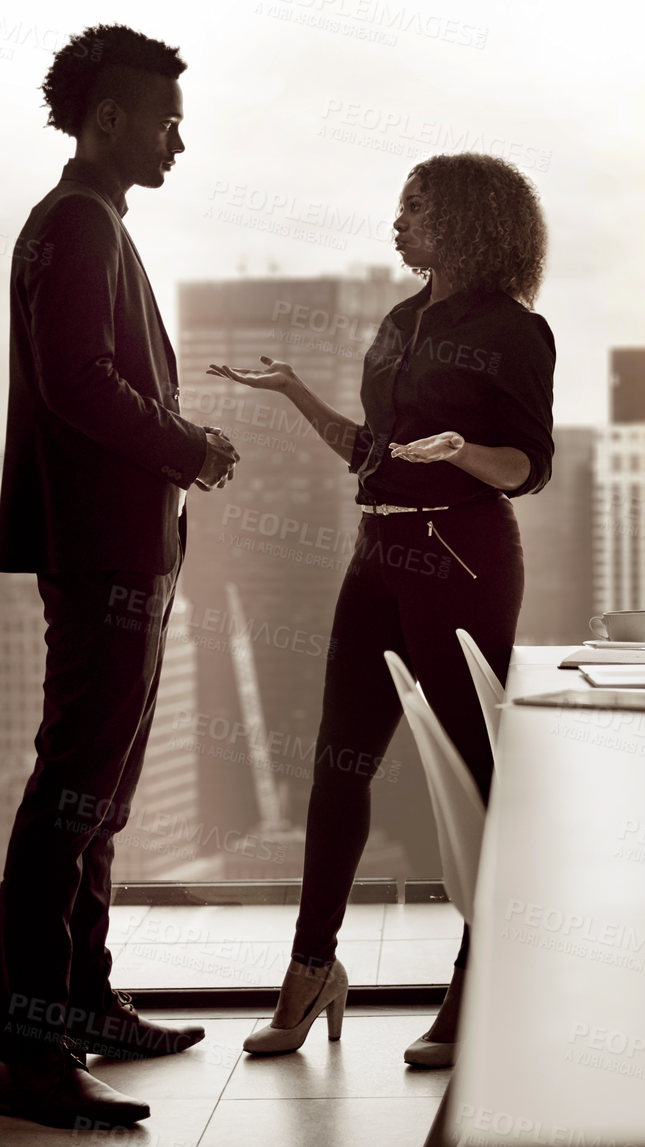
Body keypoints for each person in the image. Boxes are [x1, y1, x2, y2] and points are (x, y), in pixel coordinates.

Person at [211, 153, 554, 1065]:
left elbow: (527, 464)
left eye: (414, 208)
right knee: (338, 764)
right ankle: (312, 967)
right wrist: (293, 395)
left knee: (475, 777)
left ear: (466, 222)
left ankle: (482, 983)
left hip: (461, 554)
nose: (397, 222)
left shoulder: (517, 332)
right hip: (379, 551)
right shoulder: (400, 322)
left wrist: (460, 452)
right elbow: (369, 453)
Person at [0, 25, 241, 1129]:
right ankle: (28, 1059)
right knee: (70, 798)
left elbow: (88, 383)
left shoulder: (91, 224)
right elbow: (79, 384)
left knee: (100, 796)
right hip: (101, 552)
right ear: (109, 120)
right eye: (168, 120)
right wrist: (189, 445)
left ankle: (81, 1006)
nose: (182, 139)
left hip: (122, 548)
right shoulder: (77, 227)